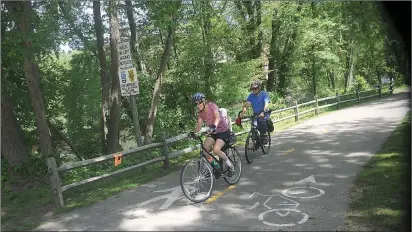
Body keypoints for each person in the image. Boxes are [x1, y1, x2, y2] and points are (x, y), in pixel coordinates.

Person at [190, 92, 234, 176]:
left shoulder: (212, 105)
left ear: (203, 101)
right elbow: (199, 127)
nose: (197, 105)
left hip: (223, 130)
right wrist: (192, 132)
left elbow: (217, 117)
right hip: (213, 132)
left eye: (198, 102)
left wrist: (214, 126)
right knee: (205, 150)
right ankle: (216, 166)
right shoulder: (200, 113)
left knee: (216, 150)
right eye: (195, 103)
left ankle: (230, 165)